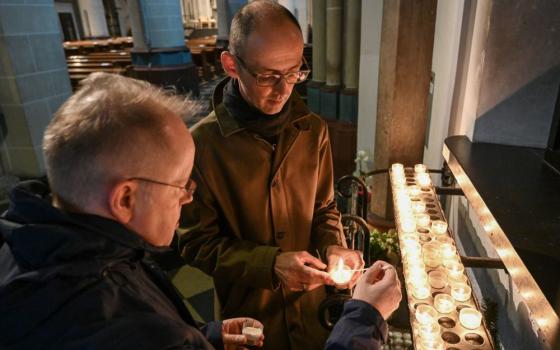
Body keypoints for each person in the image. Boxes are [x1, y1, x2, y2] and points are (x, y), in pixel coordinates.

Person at [0, 72, 264, 350]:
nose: (187, 198)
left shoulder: (27, 240)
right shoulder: (139, 330)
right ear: (125, 199)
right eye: (180, 184)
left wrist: (202, 337)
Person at [179, 1, 366, 349]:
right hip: (250, 321)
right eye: (267, 76)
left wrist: (335, 246)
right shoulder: (202, 145)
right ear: (231, 65)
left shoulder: (314, 131)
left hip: (312, 314)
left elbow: (324, 210)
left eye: (294, 72)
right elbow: (194, 243)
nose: (283, 90)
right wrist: (269, 265)